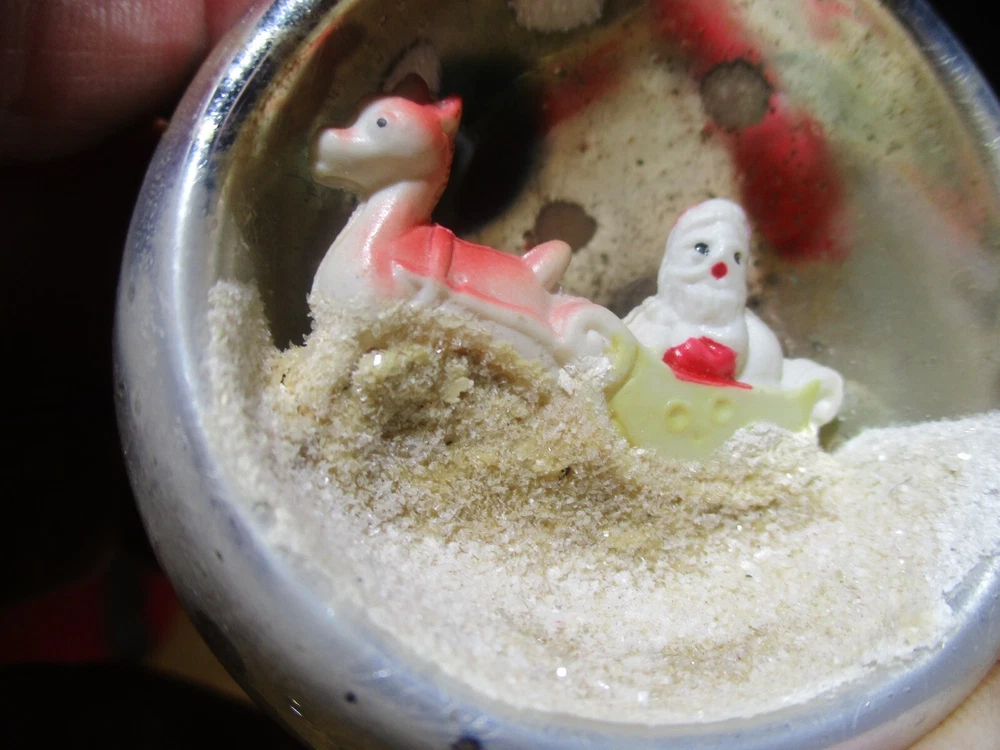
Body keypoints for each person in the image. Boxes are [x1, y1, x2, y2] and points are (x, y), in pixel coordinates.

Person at [0, 2, 995, 748]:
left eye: (733, 258)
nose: (719, 272)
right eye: (701, 251)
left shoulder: (742, 346)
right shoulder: (626, 318)